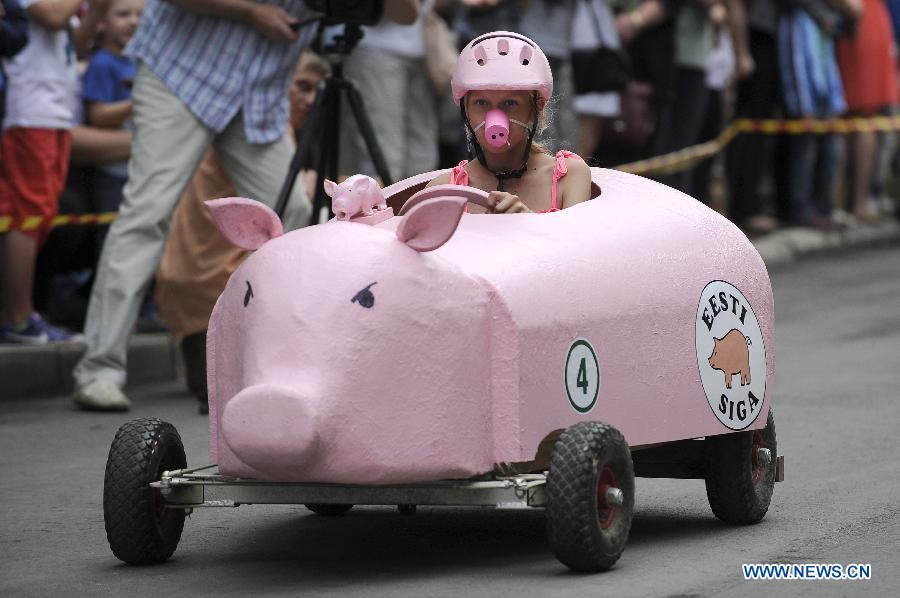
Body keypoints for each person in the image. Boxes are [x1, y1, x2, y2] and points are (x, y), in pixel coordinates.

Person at [71, 0, 420, 411]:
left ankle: (290, 360)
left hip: (258, 94)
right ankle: (99, 370)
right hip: (182, 75)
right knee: (145, 215)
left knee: (290, 213)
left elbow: (405, 14)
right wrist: (251, 11)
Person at [154, 51, 330, 415]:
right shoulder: (260, 127)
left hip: (189, 280)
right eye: (301, 86)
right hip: (219, 280)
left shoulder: (256, 127)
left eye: (316, 90)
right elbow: (290, 205)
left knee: (219, 390)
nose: (309, 100)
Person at [0, 0, 104, 344]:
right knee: (26, 212)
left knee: (42, 213)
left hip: (54, 113)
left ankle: (24, 314)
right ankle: (16, 319)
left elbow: (78, 45)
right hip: (28, 111)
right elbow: (53, 16)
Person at [427, 31, 592, 214]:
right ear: (466, 110)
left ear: (536, 109)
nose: (495, 119)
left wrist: (527, 221)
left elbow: (577, 240)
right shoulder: (444, 190)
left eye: (510, 103)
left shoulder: (569, 177)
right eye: (481, 103)